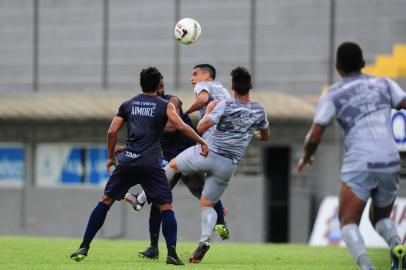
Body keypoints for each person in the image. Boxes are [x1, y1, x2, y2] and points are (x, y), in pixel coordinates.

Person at [69, 67, 209, 266]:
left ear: (141, 83)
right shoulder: (164, 105)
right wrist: (202, 142)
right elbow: (181, 126)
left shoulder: (128, 104)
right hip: (151, 164)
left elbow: (111, 132)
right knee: (165, 206)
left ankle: (84, 246)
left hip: (128, 161)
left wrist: (111, 157)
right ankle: (171, 253)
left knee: (106, 200)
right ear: (158, 85)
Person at [296, 42, 406, 270]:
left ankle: (366, 266)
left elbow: (315, 135)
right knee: (381, 219)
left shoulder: (333, 93)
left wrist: (306, 156)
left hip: (360, 162)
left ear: (338, 67)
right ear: (364, 64)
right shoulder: (384, 83)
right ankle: (396, 245)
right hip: (391, 161)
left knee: (348, 222)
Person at [166, 66, 270, 263]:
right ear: (251, 86)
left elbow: (201, 127)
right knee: (207, 204)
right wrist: (250, 132)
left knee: (173, 165)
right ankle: (204, 240)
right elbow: (264, 136)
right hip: (228, 164)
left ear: (232, 87)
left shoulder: (224, 105)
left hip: (207, 153)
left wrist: (209, 113)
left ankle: (144, 197)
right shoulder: (259, 110)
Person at [121, 78, 230, 261]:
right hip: (170, 158)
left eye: (162, 86)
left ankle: (139, 200)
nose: (161, 89)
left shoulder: (172, 101)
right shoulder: (152, 108)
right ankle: (154, 247)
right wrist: (127, 147)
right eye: (159, 86)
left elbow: (171, 126)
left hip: (186, 156)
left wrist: (152, 121)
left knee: (201, 194)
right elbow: (146, 137)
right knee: (164, 200)